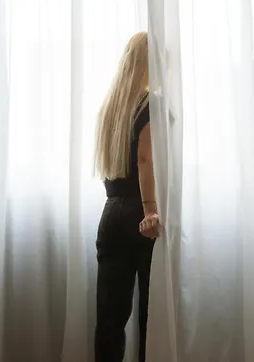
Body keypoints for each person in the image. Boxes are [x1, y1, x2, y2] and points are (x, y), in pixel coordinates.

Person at [94, 32, 160, 362]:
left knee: (110, 319)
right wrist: (150, 210)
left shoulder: (111, 108)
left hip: (111, 213)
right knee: (152, 316)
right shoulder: (150, 104)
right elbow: (145, 159)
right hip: (141, 214)